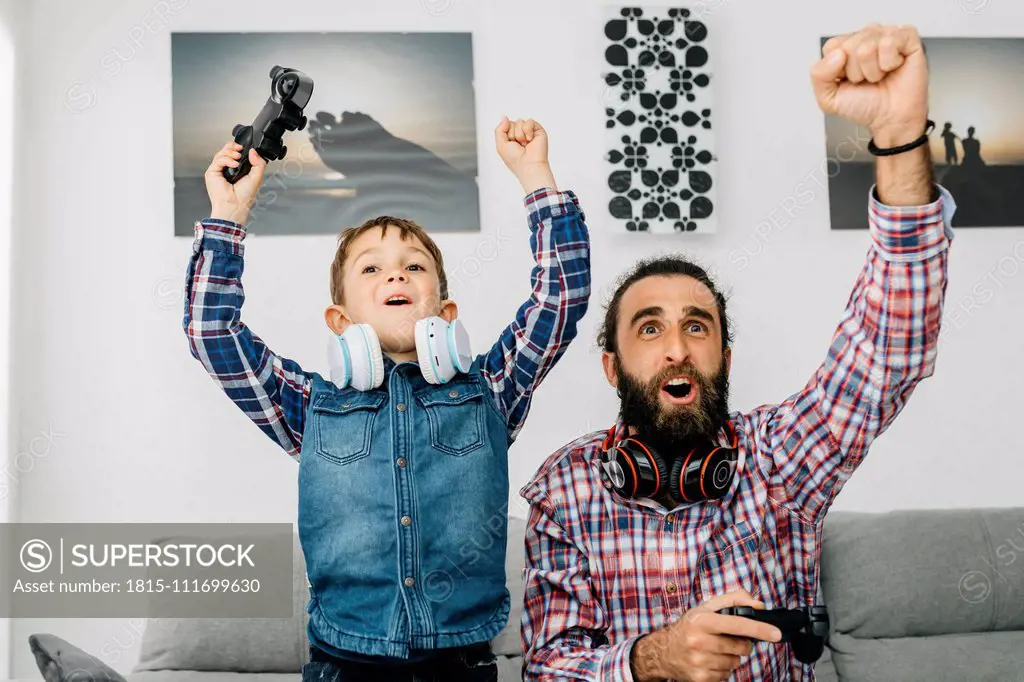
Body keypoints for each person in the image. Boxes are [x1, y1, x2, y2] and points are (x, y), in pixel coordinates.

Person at [519, 23, 956, 682]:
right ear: (611, 367)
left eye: (697, 328)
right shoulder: (564, 488)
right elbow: (549, 668)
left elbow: (888, 347)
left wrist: (899, 136)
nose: (676, 348)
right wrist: (657, 657)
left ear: (724, 354)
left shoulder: (780, 460)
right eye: (648, 329)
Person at [182, 116, 592, 682]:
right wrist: (229, 214)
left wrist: (536, 177)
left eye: (414, 266)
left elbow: (562, 297)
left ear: (445, 313)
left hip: (461, 665)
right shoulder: (310, 408)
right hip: (343, 666)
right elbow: (211, 331)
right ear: (341, 320)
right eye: (371, 267)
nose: (395, 274)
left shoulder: (490, 389)